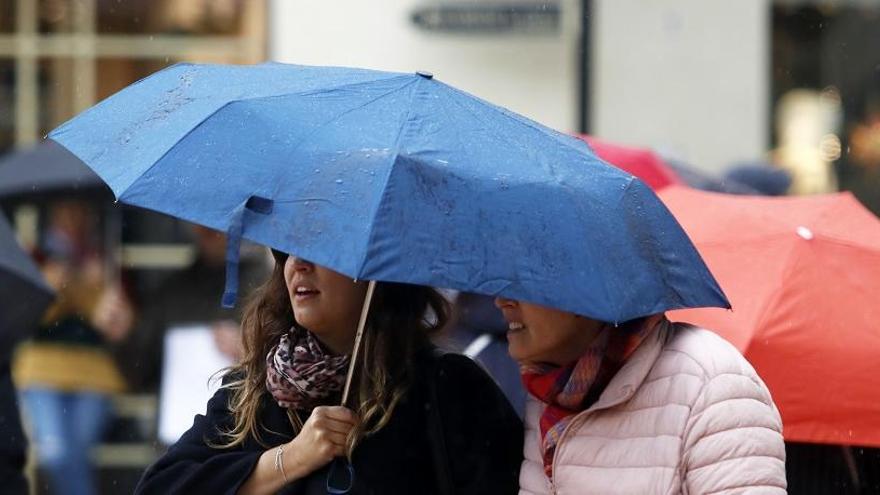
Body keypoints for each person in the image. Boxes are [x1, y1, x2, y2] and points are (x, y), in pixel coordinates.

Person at [135, 250, 523, 494]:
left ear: (377, 271)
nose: (298, 264)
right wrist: (289, 460)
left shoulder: (446, 388)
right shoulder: (255, 390)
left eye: (324, 248)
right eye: (287, 249)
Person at [494, 297, 787, 494]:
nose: (501, 300)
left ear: (587, 287)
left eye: (525, 282)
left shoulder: (713, 383)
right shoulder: (547, 388)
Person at [14, 201, 134, 495]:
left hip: (93, 372)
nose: (74, 217)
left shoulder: (104, 259)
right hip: (42, 370)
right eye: (66, 209)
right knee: (55, 453)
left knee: (77, 452)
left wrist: (101, 292)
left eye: (81, 209)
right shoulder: (35, 256)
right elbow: (25, 317)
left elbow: (118, 326)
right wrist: (57, 286)